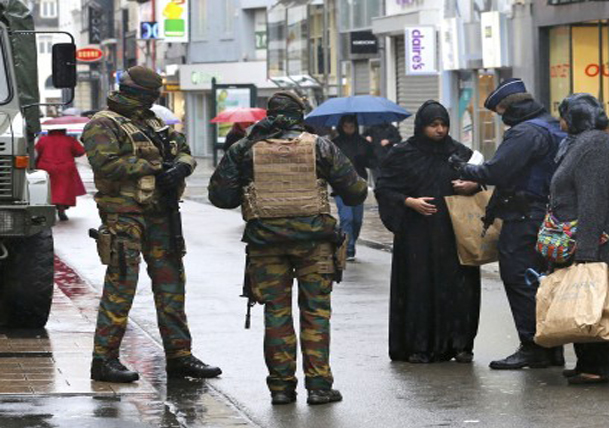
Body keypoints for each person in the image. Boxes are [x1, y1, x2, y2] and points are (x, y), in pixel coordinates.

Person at [208, 92, 367, 406]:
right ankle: (319, 386)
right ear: (300, 115)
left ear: (269, 115)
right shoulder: (320, 146)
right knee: (316, 313)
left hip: (266, 245)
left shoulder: (246, 150)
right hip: (314, 243)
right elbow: (356, 192)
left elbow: (220, 197)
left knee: (276, 314)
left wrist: (248, 165)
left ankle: (281, 388)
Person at [82, 66, 222, 384]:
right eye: (149, 95)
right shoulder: (103, 123)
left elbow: (184, 151)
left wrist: (181, 169)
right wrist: (157, 166)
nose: (151, 100)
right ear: (137, 93)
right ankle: (103, 360)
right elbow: (106, 163)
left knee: (171, 286)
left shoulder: (154, 122)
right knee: (121, 287)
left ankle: (180, 356)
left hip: (162, 215)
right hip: (124, 216)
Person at [449, 78, 565, 370]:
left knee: (520, 281)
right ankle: (550, 347)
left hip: (524, 218)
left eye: (501, 113)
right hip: (546, 216)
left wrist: (462, 167)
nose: (502, 119)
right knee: (540, 282)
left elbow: (498, 170)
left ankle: (532, 347)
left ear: (509, 108)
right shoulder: (550, 126)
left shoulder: (525, 133)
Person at [376, 100, 481, 364]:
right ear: (422, 125)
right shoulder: (403, 154)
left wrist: (472, 184)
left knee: (459, 289)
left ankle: (459, 344)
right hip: (417, 236)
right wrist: (408, 202)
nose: (440, 130)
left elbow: (481, 182)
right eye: (434, 125)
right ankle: (418, 345)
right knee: (419, 289)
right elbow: (384, 188)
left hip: (454, 234)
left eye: (444, 124)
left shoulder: (458, 153)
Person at [551, 93, 609, 384]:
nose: (559, 120)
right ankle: (587, 361)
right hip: (589, 233)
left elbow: (592, 199)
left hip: (600, 236)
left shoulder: (594, 145)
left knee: (602, 300)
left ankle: (603, 368)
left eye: (563, 115)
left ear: (575, 118)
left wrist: (586, 249)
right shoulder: (580, 143)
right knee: (584, 299)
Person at [332, 115, 374, 260]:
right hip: (340, 187)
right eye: (346, 126)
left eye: (352, 126)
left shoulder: (363, 143)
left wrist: (364, 159)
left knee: (357, 220)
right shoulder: (334, 144)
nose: (349, 129)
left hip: (358, 187)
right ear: (341, 127)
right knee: (347, 219)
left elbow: (373, 161)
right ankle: (347, 249)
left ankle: (351, 242)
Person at [35, 128, 87, 221]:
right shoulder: (70, 139)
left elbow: (37, 152)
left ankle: (49, 210)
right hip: (65, 167)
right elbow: (80, 152)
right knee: (63, 190)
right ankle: (61, 209)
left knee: (48, 190)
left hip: (46, 167)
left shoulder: (43, 139)